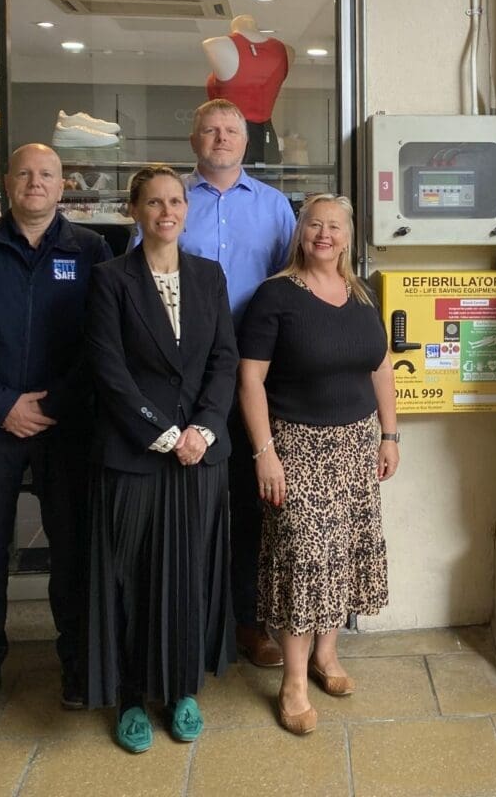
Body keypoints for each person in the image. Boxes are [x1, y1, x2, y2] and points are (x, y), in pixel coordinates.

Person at [0, 143, 113, 723]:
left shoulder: (91, 251)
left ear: (65, 187)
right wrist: (3, 403)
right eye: (25, 174)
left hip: (66, 427)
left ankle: (76, 662)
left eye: (47, 175)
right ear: (7, 183)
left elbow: (101, 341)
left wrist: (53, 404)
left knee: (73, 549)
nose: (36, 183)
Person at [82, 166, 238, 753]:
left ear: (186, 209)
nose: (166, 211)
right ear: (134, 210)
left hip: (203, 456)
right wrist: (168, 434)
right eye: (153, 202)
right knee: (129, 576)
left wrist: (202, 427)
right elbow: (109, 371)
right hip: (136, 454)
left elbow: (224, 358)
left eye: (175, 200)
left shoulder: (209, 277)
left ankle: (181, 690)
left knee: (190, 573)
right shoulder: (110, 279)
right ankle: (128, 696)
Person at [237, 194, 400, 736]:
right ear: (299, 231)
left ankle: (326, 659)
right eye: (314, 224)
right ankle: (293, 683)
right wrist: (265, 453)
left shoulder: (363, 294)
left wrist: (390, 433)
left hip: (357, 444)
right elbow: (250, 380)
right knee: (303, 559)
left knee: (345, 553)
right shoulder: (274, 296)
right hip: (296, 445)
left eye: (334, 226)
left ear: (348, 236)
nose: (324, 234)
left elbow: (381, 368)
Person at [161, 98, 296, 667]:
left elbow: (296, 282)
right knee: (187, 504)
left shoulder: (275, 208)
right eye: (211, 129)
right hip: (182, 376)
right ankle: (191, 623)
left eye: (232, 130)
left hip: (256, 377)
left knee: (249, 505)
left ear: (247, 141)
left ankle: (247, 620)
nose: (221, 138)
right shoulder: (171, 202)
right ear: (194, 139)